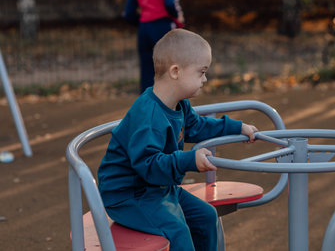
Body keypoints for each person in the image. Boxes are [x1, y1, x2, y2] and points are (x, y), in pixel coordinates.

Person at [97, 29, 258, 251]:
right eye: (201, 72)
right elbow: (148, 164)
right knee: (178, 232)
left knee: (206, 216)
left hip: (157, 188)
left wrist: (236, 127)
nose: (205, 79)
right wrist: (189, 160)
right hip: (129, 195)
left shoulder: (179, 103)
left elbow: (197, 126)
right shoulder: (149, 115)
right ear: (175, 72)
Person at [123, 0, 185, 93]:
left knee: (147, 71)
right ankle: (173, 107)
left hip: (144, 30)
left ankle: (148, 107)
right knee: (170, 68)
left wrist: (143, 22)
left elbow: (128, 14)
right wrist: (178, 17)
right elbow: (170, 3)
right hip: (163, 26)